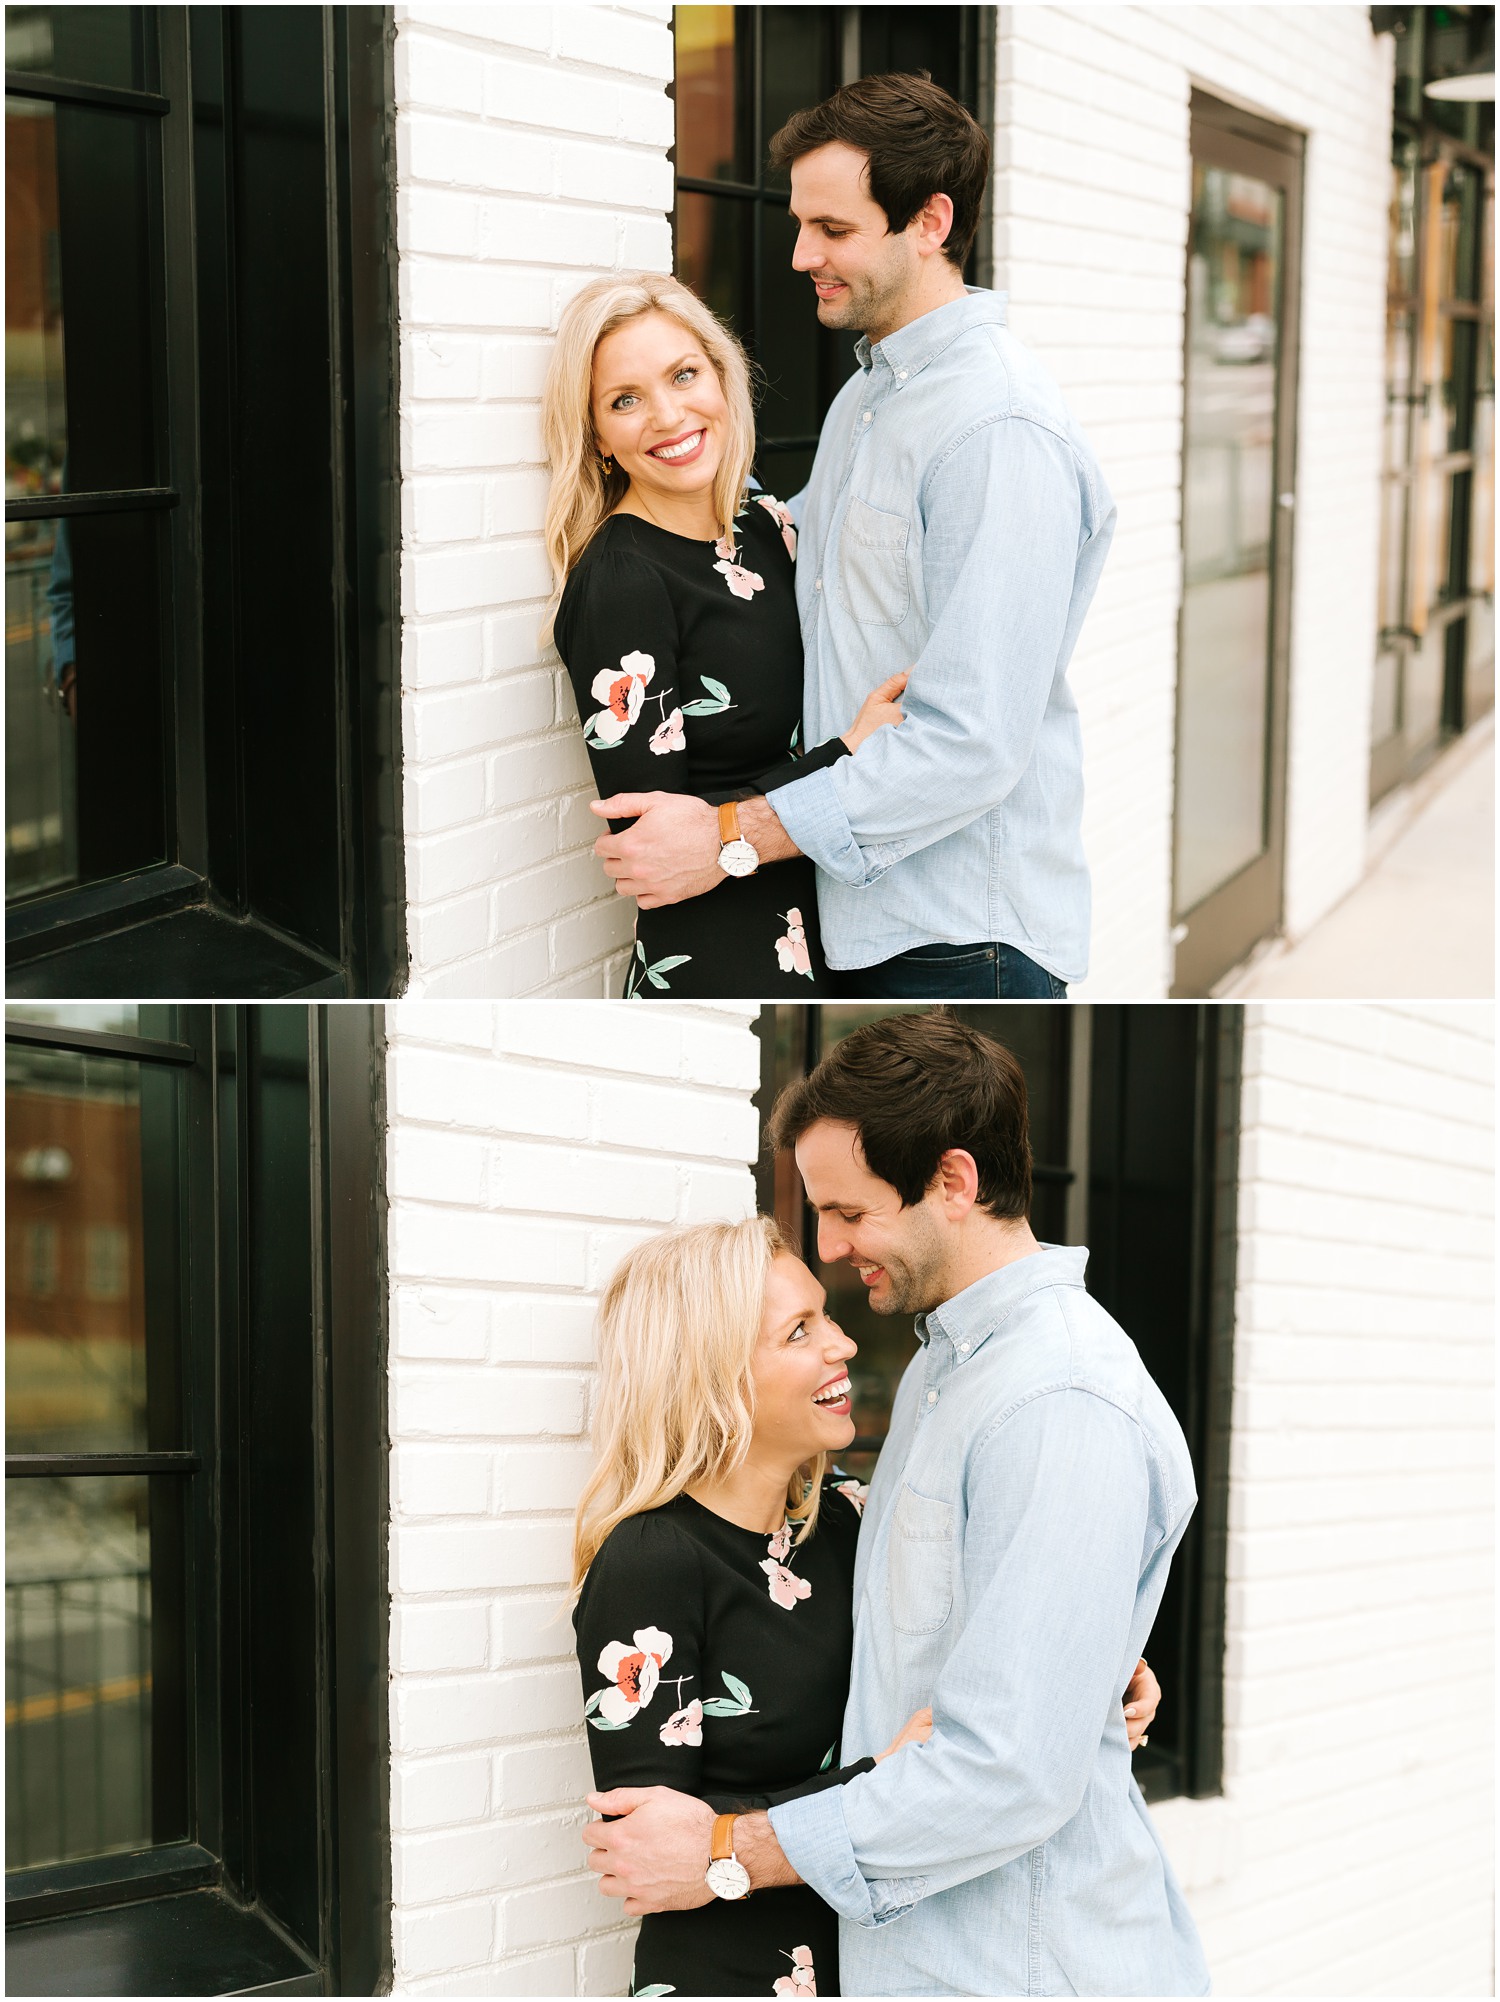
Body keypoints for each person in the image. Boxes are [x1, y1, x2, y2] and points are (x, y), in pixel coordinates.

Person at [583, 1013, 1210, 1998]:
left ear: (951, 1184)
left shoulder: (1058, 1399)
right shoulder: (939, 1371)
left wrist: (726, 1846)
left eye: (849, 1210)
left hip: (1023, 1966)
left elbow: (1006, 1770)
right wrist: (1077, 1660)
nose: (831, 1247)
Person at [590, 75, 1116, 1001]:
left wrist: (731, 836)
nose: (801, 256)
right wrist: (670, 425)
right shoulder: (870, 398)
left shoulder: (996, 430)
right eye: (802, 225)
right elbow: (783, 547)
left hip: (959, 933)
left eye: (833, 231)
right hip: (859, 917)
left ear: (930, 221)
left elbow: (970, 744)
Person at [542, 272, 907, 997]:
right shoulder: (622, 581)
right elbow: (656, 847)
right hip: (721, 951)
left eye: (683, 375)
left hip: (831, 919)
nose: (669, 415)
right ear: (599, 440)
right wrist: (848, 755)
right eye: (625, 400)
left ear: (720, 374)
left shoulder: (763, 523)